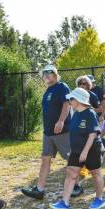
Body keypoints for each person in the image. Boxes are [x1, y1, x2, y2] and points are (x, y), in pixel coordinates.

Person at [21, 65, 83, 199]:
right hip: (48, 132)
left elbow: (67, 104)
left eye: (50, 72)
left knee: (70, 158)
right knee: (45, 159)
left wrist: (61, 121)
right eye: (45, 73)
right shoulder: (48, 89)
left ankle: (77, 186)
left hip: (63, 131)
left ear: (56, 75)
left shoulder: (62, 86)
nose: (47, 75)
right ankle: (39, 189)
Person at [50, 88, 105, 209]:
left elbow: (93, 134)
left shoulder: (90, 113)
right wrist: (73, 149)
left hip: (92, 149)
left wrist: (85, 152)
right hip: (76, 150)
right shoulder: (75, 113)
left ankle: (99, 199)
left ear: (79, 100)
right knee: (71, 172)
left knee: (95, 173)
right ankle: (64, 203)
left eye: (71, 99)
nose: (70, 101)